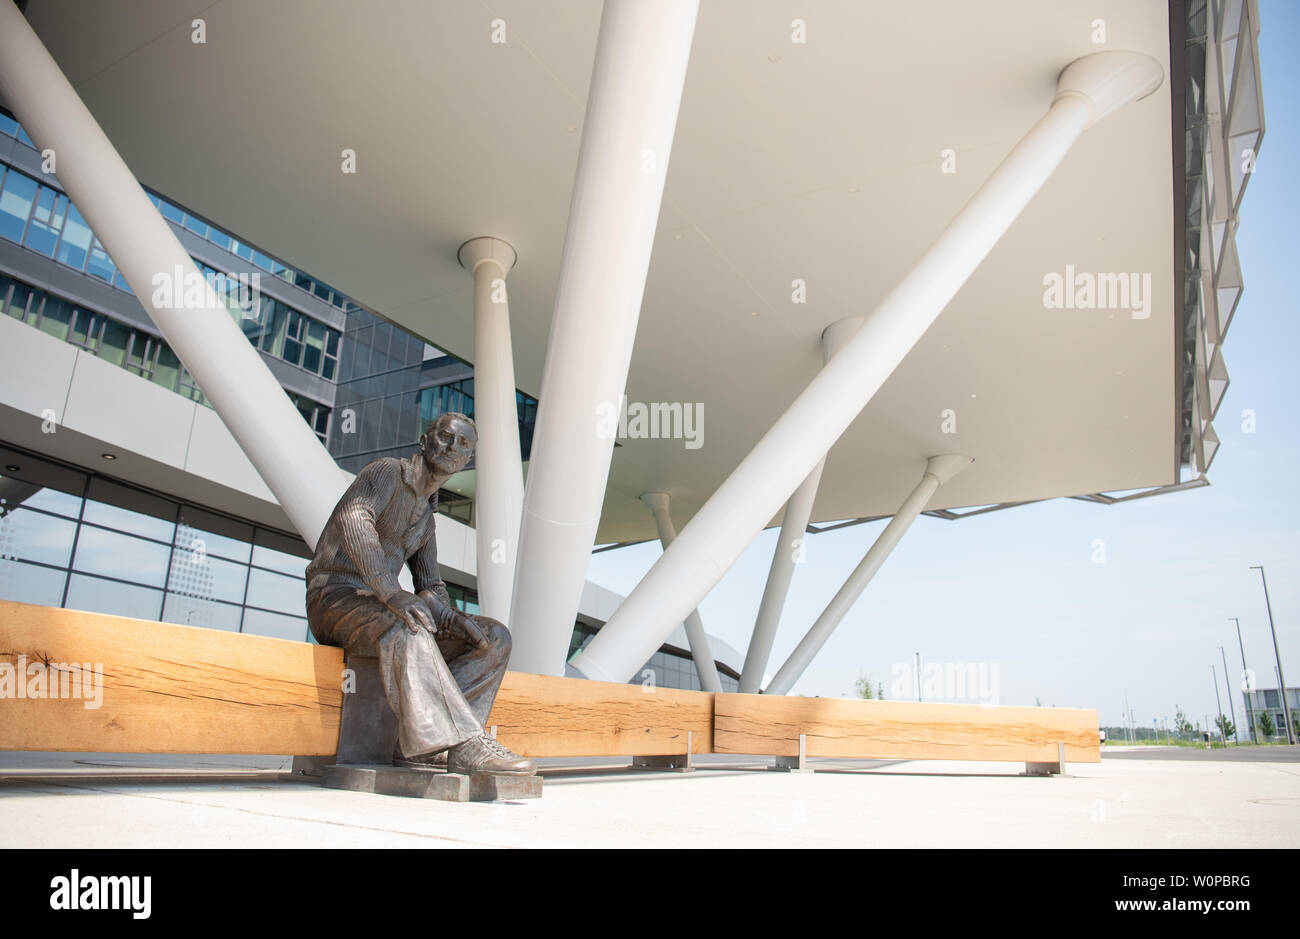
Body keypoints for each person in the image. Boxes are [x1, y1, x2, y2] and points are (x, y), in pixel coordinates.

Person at [305, 411, 534, 776]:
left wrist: (453, 619)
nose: (452, 447)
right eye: (445, 437)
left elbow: (430, 585)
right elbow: (354, 518)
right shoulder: (385, 473)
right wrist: (391, 592)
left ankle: (426, 749)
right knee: (408, 624)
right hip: (335, 599)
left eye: (463, 445)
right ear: (424, 441)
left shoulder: (427, 516)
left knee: (493, 638)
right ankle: (465, 743)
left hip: (379, 608)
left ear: (466, 461)